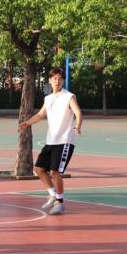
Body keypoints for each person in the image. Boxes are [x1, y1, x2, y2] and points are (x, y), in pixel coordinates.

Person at [19, 67, 82, 215]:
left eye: (60, 79)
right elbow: (41, 114)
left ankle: (60, 203)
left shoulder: (69, 96)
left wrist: (78, 126)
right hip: (51, 140)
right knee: (39, 169)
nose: (57, 81)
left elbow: (78, 112)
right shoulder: (48, 98)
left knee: (55, 172)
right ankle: (52, 194)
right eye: (54, 78)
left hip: (64, 140)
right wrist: (27, 123)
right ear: (50, 80)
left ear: (63, 81)